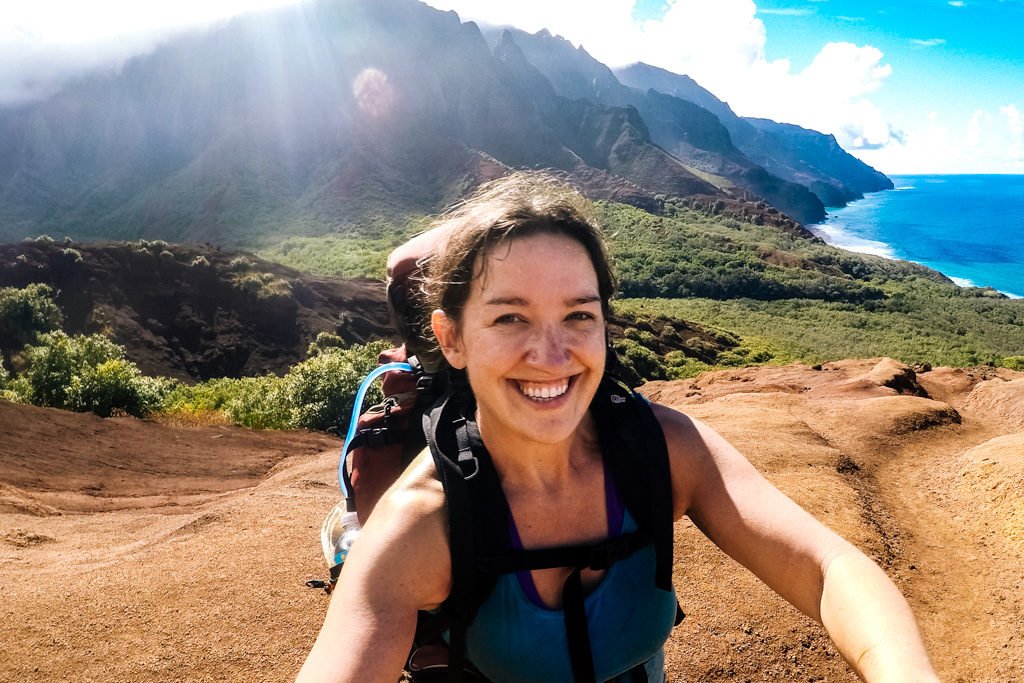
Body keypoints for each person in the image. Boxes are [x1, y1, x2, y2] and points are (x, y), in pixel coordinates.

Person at [297, 172, 939, 683]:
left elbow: (827, 567)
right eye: (509, 318)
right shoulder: (424, 522)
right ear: (452, 339)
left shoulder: (658, 449)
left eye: (578, 314)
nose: (551, 355)